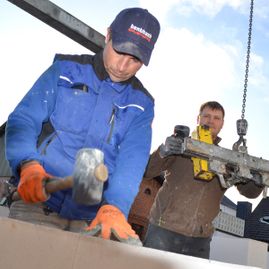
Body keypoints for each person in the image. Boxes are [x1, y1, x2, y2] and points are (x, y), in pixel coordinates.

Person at [5, 7, 160, 245]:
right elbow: (24, 119)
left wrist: (115, 208)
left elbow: (132, 163)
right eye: (120, 51)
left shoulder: (141, 105)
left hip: (90, 222)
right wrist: (27, 164)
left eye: (135, 59)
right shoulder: (65, 71)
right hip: (37, 207)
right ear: (108, 35)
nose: (122, 66)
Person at [142, 101, 264, 258]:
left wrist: (257, 181)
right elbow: (147, 171)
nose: (210, 121)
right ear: (198, 119)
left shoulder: (227, 160)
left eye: (216, 118)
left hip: (200, 240)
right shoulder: (182, 146)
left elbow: (250, 193)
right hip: (164, 229)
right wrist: (163, 151)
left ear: (222, 124)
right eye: (206, 116)